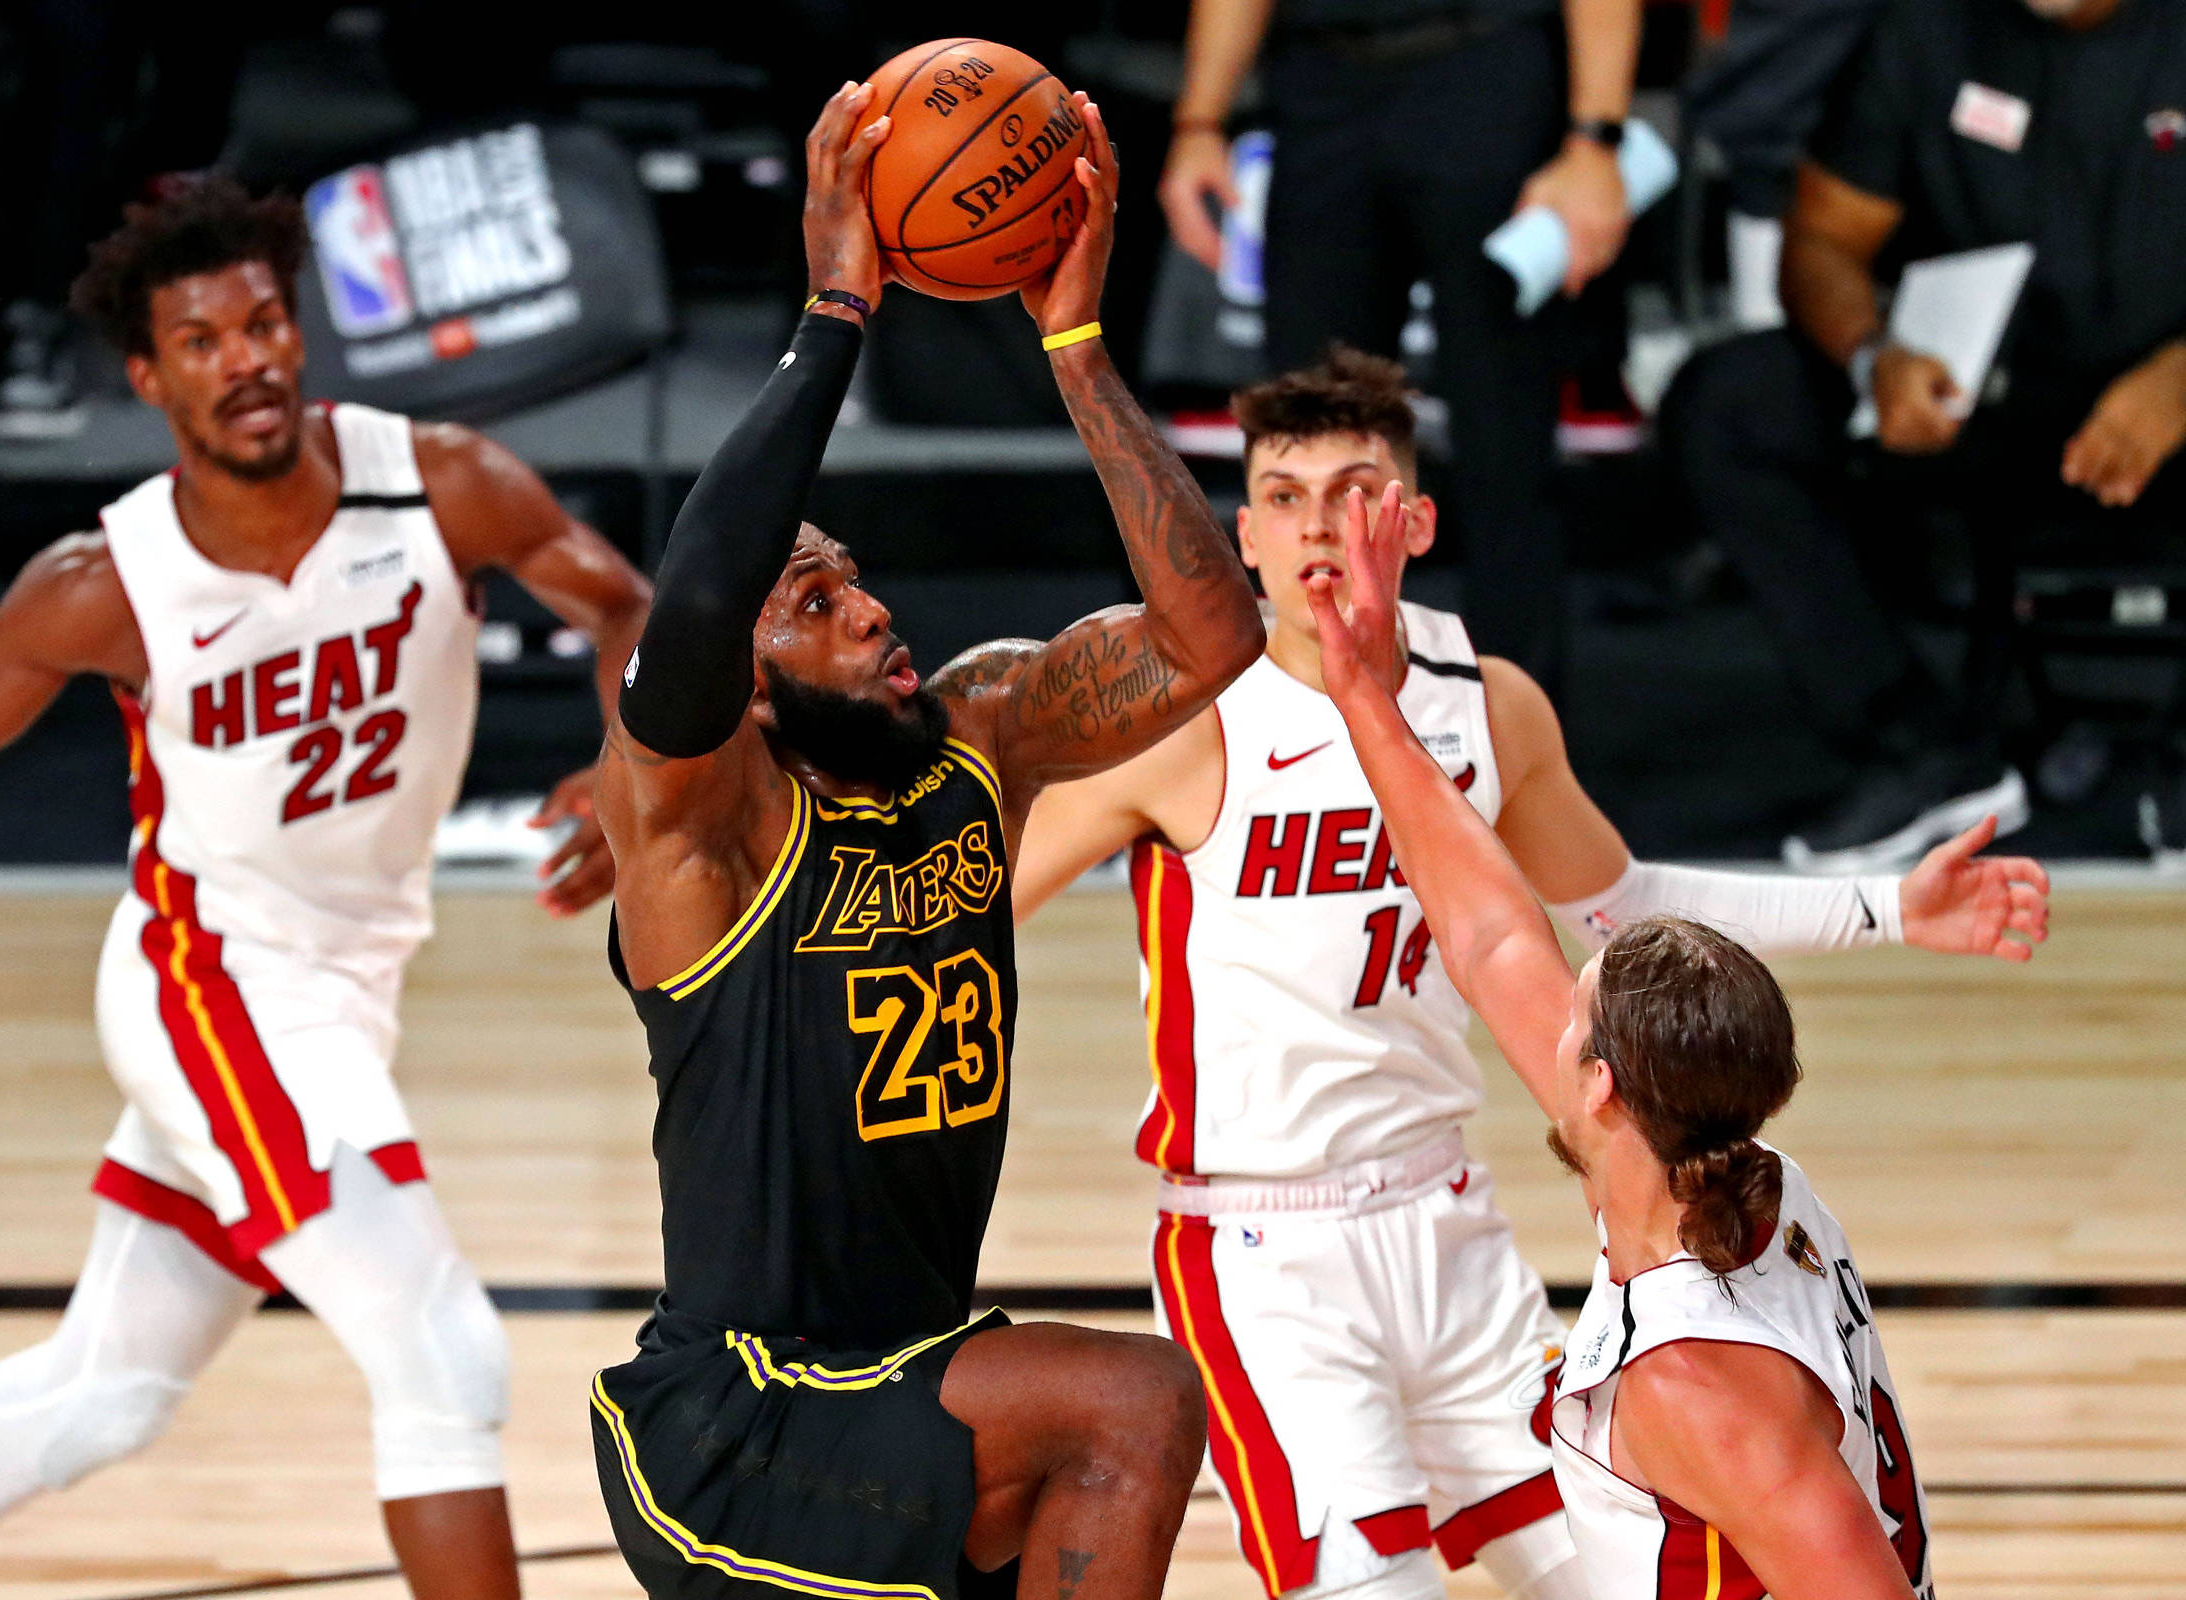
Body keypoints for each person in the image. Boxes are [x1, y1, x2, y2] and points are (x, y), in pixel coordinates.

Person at [1011, 346, 2042, 1600]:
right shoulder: (1178, 723)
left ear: (1417, 518)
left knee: (1607, 1558)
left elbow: (1620, 912)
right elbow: (969, 903)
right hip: (1259, 1242)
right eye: (1284, 496)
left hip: (1451, 1221)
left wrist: (1885, 906)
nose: (1321, 526)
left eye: (1355, 490)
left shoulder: (1485, 704)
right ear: (1243, 534)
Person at [0, 177, 649, 1600]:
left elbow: (623, 606)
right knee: (441, 1351)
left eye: (262, 324)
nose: (243, 358)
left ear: (298, 336)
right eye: (202, 340)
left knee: (104, 1393)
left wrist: (629, 760)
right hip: (212, 983)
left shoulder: (435, 482)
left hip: (344, 992)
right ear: (150, 376)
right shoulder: (110, 580)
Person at [585, 84, 1265, 1600]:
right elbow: (696, 599)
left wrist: (1074, 342)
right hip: (742, 1415)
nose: (873, 607)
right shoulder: (709, 833)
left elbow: (1214, 634)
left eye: (858, 581)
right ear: (745, 687)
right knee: (1139, 1400)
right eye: (812, 605)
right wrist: (838, 304)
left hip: (905, 1373)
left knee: (1102, 1443)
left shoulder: (987, 740)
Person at [1305, 482, 1937, 1599]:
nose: (1548, 1001)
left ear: (1600, 1084)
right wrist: (1364, 693)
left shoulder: (1700, 1379)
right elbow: (1490, 930)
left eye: (1575, 1004)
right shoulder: (1733, 1176)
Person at [1666, 0, 2186, 870]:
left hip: (2169, 407)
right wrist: (1873, 354)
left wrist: (2179, 385)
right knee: (1730, 406)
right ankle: (1920, 746)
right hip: (1975, 401)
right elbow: (1823, 239)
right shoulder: (1929, 29)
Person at [1159, 0, 1645, 695]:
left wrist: (1596, 140)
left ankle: (1511, 750)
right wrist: (1199, 121)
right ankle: (1310, 725)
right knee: (1305, 436)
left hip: (1488, 68)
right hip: (1317, 80)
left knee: (1505, 446)